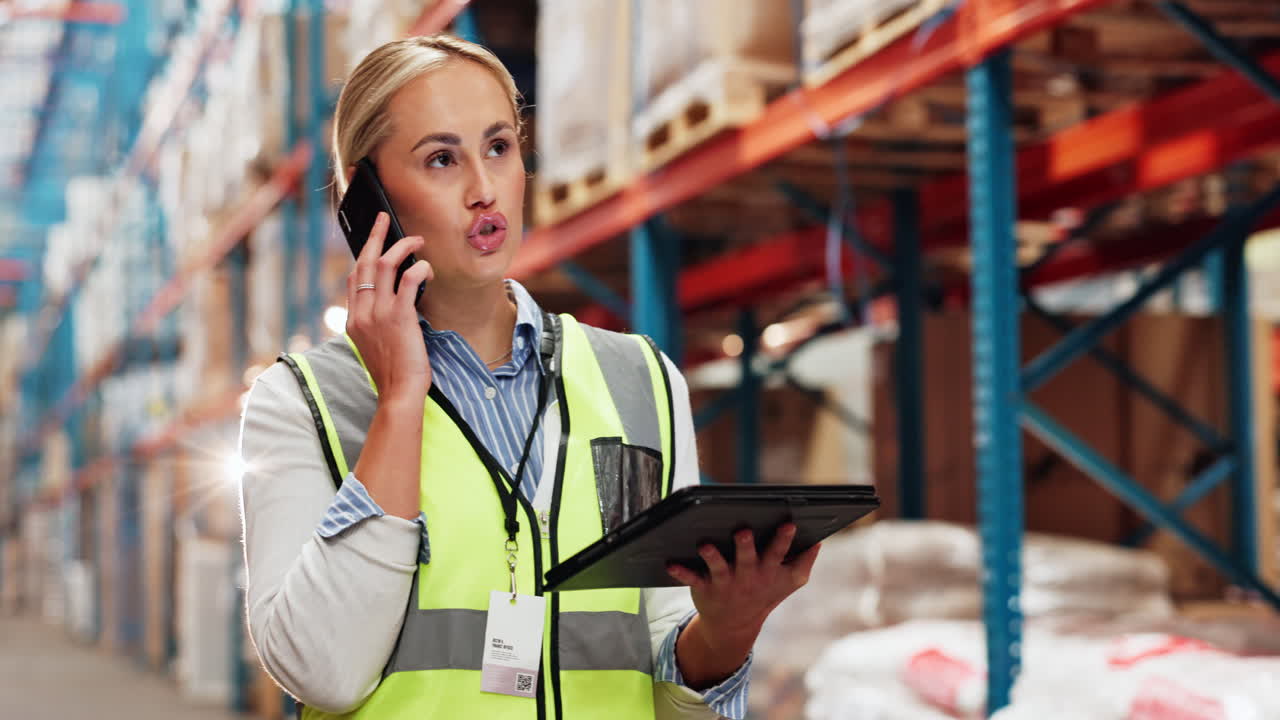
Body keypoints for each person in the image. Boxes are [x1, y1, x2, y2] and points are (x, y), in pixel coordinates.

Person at [238, 34, 820, 720]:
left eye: (499, 147)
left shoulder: (641, 383)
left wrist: (726, 633)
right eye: (441, 159)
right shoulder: (302, 404)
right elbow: (323, 671)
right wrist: (399, 401)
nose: (484, 190)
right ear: (367, 198)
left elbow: (666, 685)